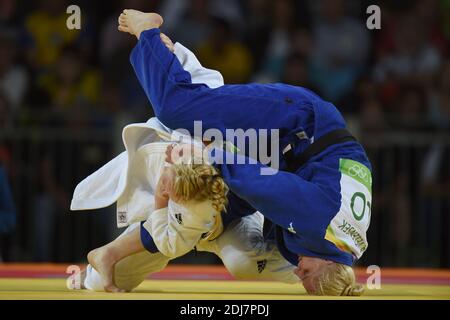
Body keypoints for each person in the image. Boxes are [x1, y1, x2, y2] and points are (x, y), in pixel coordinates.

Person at [116, 10, 372, 296]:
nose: (298, 272)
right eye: (308, 273)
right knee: (177, 109)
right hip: (294, 122)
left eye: (302, 278)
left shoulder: (347, 248)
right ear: (327, 264)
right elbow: (262, 182)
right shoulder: (318, 222)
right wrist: (203, 157)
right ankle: (148, 31)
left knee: (215, 200)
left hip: (294, 149)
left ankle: (172, 56)